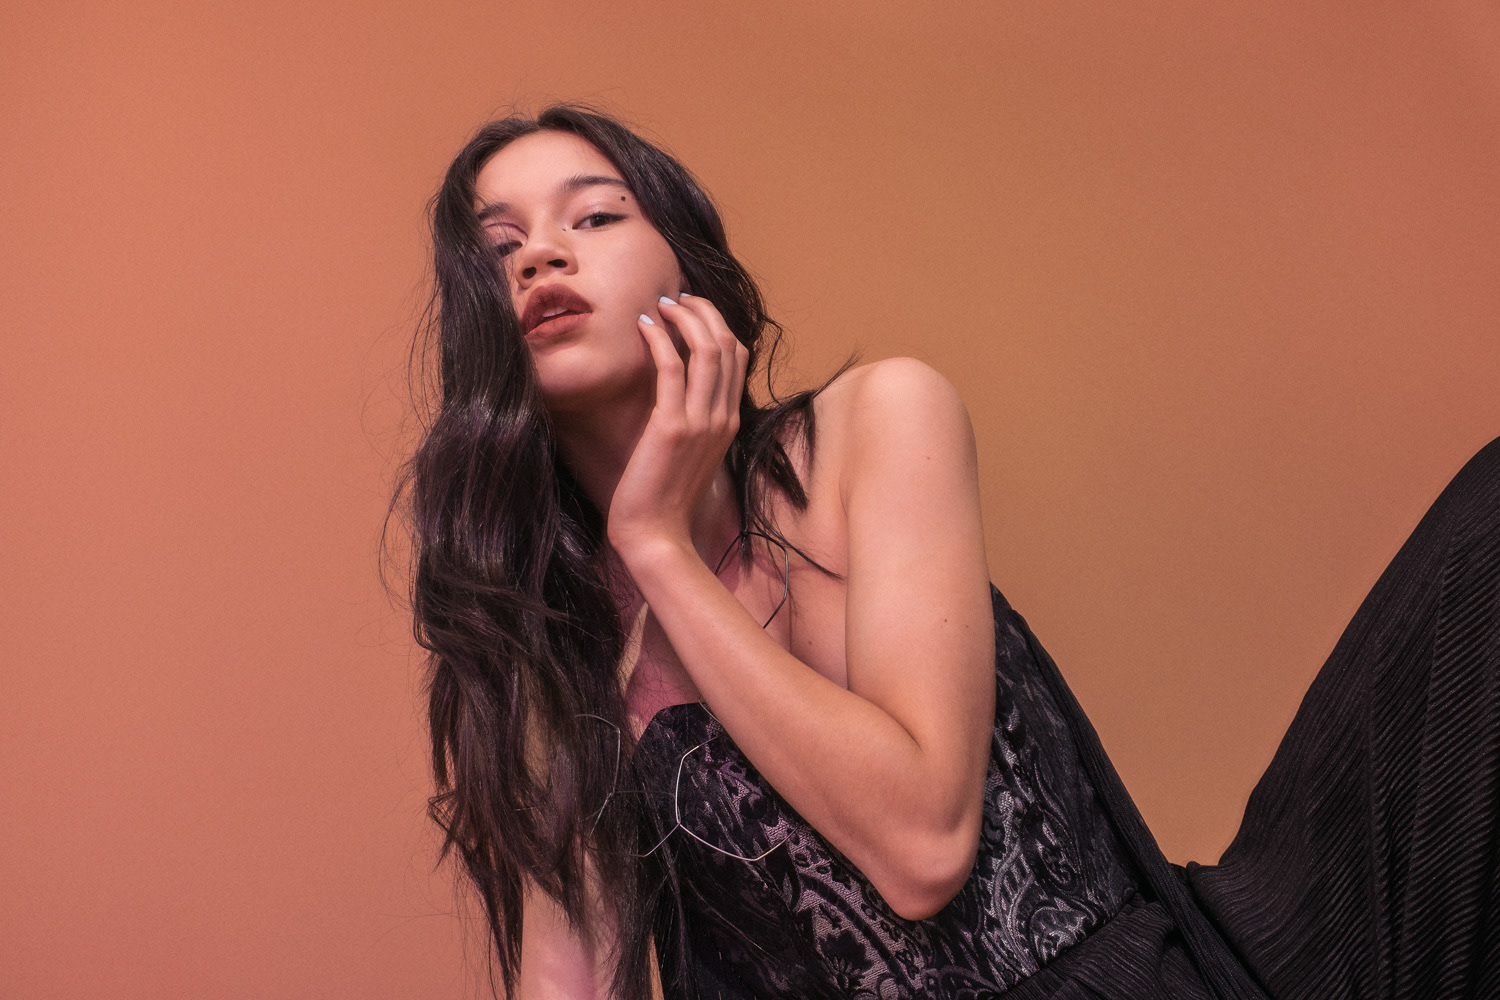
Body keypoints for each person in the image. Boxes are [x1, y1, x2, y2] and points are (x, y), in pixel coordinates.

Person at [388, 102, 1500, 1000]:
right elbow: (570, 979)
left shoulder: (877, 425)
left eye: (594, 216)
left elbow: (923, 843)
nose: (541, 256)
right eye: (500, 249)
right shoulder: (554, 654)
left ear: (689, 271)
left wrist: (656, 546)